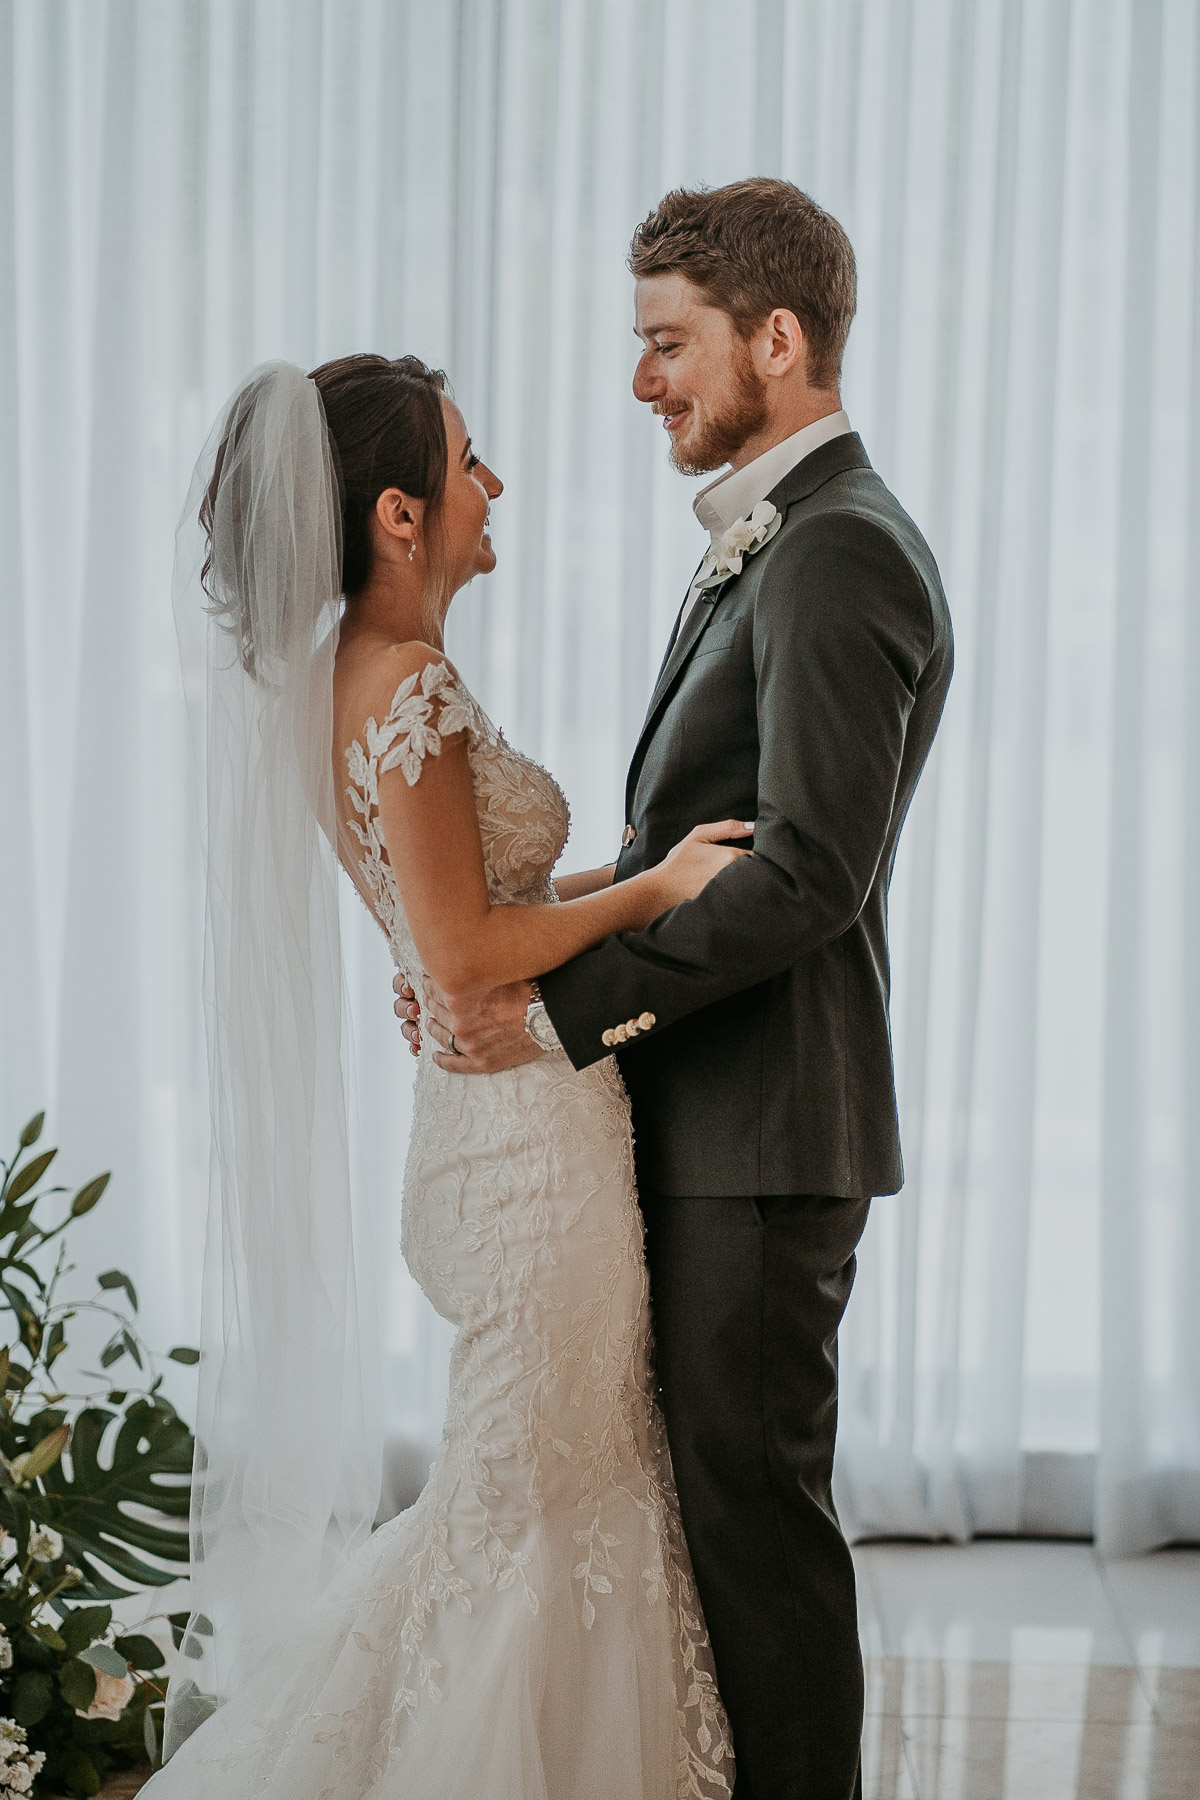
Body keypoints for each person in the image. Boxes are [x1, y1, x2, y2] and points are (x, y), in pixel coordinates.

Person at [401, 178, 954, 1800]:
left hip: (769, 1132)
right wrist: (494, 952)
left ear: (778, 340)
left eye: (668, 343)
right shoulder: (780, 538)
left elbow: (802, 878)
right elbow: (680, 843)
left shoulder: (841, 552)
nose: (642, 380)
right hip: (713, 1113)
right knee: (707, 1529)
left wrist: (559, 1016)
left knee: (756, 1533)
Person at [149, 352, 737, 1799]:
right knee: (533, 1520)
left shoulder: (342, 685)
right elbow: (473, 951)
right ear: (400, 518)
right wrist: (652, 894)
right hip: (527, 1152)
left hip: (494, 1127)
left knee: (531, 1505)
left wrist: (626, 887)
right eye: (470, 460)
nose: (495, 485)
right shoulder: (402, 683)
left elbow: (455, 932)